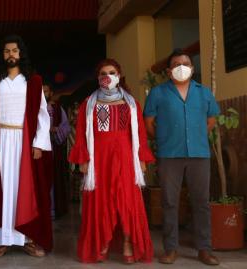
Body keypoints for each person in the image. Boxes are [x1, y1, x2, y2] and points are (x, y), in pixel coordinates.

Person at [0, 35, 53, 258]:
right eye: (7, 51)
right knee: (2, 191)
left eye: (15, 51)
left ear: (21, 54)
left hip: (24, 142)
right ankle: (3, 240)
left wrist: (38, 142)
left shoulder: (34, 81)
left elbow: (42, 114)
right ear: (3, 55)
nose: (11, 54)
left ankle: (27, 239)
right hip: (0, 140)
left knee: (24, 190)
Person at [69, 59, 154, 264]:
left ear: (119, 75)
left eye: (112, 72)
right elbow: (81, 134)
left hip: (126, 159)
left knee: (127, 201)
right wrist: (83, 160)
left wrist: (141, 159)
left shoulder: (131, 103)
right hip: (99, 160)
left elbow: (140, 135)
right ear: (98, 78)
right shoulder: (88, 105)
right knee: (101, 201)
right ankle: (102, 243)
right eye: (103, 73)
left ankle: (127, 243)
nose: (107, 76)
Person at [144, 50, 220, 266]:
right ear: (168, 71)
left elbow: (211, 120)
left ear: (192, 68)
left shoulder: (204, 92)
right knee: (169, 202)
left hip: (199, 154)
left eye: (185, 63)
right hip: (170, 154)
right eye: (176, 64)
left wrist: (194, 136)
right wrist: (165, 138)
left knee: (201, 203)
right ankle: (170, 249)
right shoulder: (158, 93)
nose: (181, 66)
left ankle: (204, 249)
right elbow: (149, 124)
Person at [42, 83, 71, 218]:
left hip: (54, 148)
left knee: (54, 178)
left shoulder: (58, 109)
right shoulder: (35, 108)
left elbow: (66, 127)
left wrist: (56, 130)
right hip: (38, 150)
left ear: (51, 93)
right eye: (41, 91)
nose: (43, 93)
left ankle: (53, 210)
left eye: (46, 91)